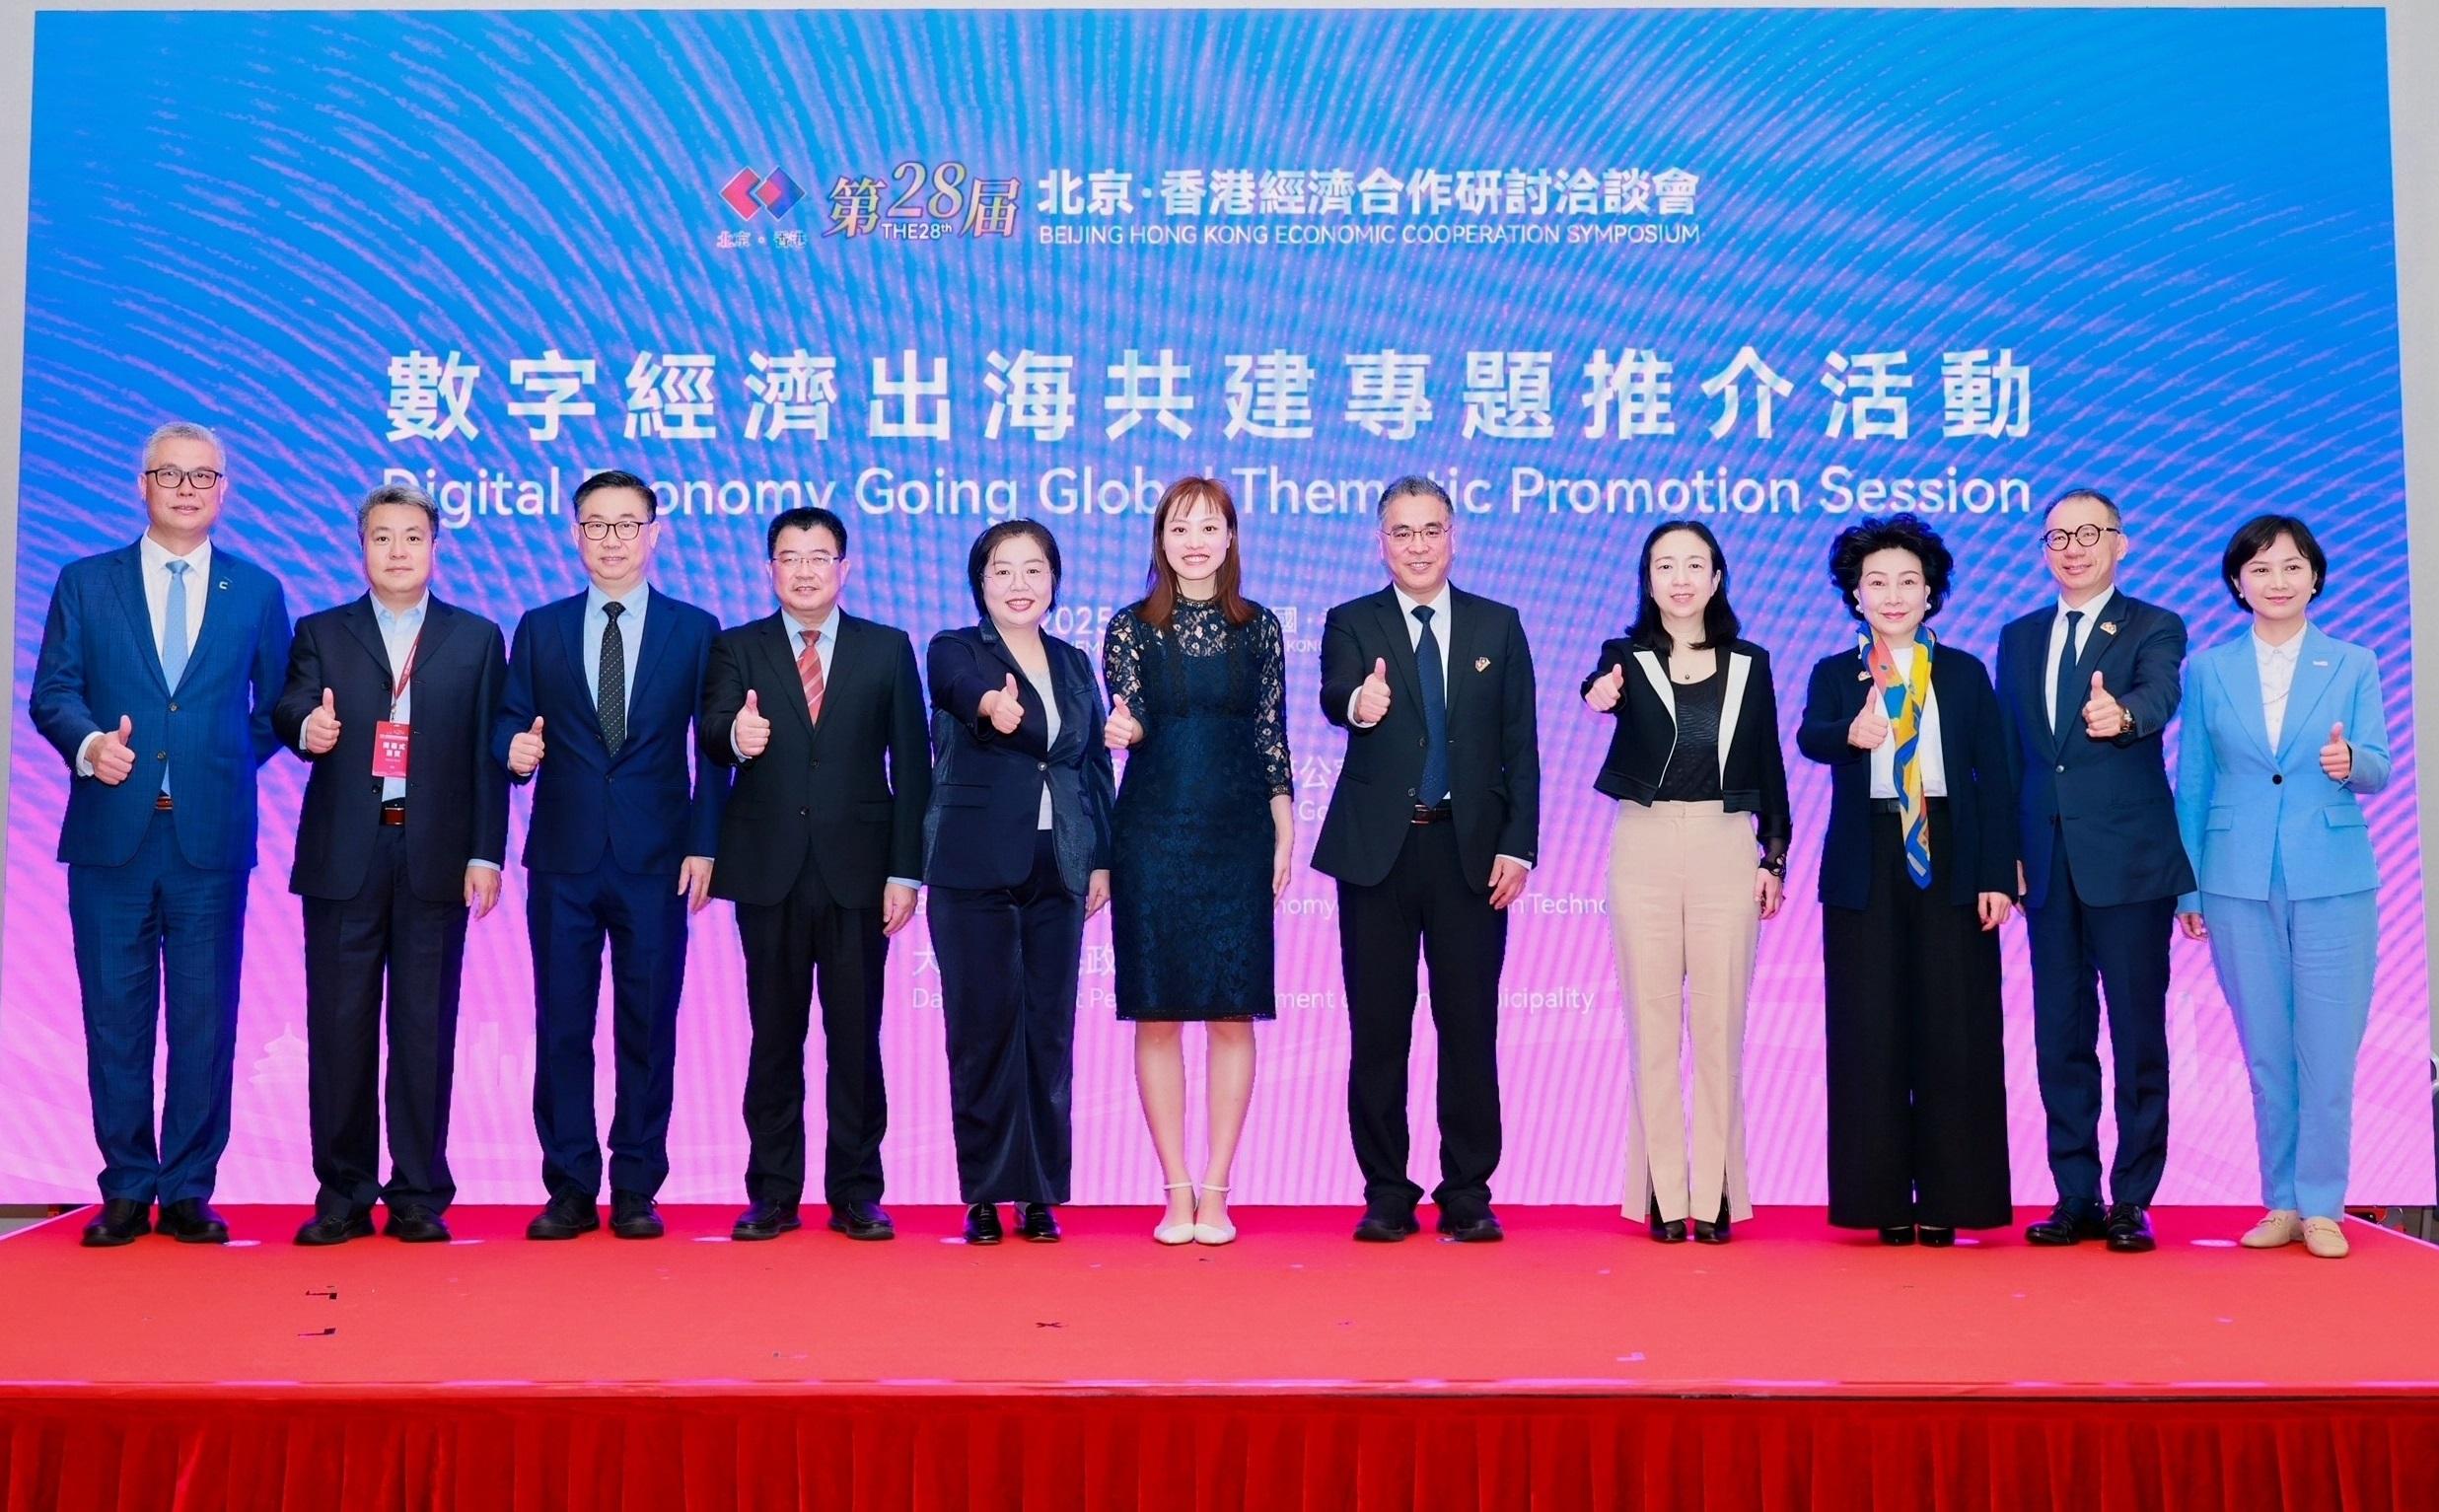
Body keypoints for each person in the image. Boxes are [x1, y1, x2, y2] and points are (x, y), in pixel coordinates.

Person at [31, 421, 292, 1249]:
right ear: (140, 485)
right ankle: (124, 1185)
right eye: (170, 474)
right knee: (115, 1016)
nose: (186, 487)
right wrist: (89, 745)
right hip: (112, 839)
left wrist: (220, 760)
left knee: (204, 1020)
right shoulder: (85, 582)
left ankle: (187, 1188)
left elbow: (278, 706)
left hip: (210, 840)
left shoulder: (255, 590)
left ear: (224, 491)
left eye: (203, 476)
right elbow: (53, 691)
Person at [493, 469, 725, 1242]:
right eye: (597, 524)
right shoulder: (540, 626)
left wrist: (704, 843)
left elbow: (714, 750)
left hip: (657, 858)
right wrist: (515, 750)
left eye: (628, 524)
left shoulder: (694, 630)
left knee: (646, 1024)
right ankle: (567, 1184)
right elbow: (505, 723)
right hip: (561, 857)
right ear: (575, 534)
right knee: (561, 1023)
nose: (612, 540)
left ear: (655, 534)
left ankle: (635, 1184)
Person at [274, 483, 508, 1246]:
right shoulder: (321, 630)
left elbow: (487, 752)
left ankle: (417, 1192)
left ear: (435, 547)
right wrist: (307, 725)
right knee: (339, 1028)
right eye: (382, 537)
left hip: (436, 852)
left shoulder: (475, 637)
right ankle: (341, 1191)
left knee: (423, 1028)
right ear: (362, 547)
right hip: (347, 853)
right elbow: (291, 707)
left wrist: (487, 852)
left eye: (412, 536)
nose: (398, 550)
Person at [1315, 475, 1540, 1245]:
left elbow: (1521, 747)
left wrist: (1519, 844)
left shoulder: (1497, 626)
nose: (1417, 545)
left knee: (1468, 1025)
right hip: (1377, 853)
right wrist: (1357, 706)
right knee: (1380, 1030)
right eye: (1401, 532)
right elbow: (1336, 692)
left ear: (1454, 535)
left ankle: (1468, 1188)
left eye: (1430, 530)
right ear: (1380, 541)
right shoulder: (1351, 621)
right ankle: (1386, 1189)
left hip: (1470, 853)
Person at [700, 506, 929, 1244]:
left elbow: (913, 768)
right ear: (769, 569)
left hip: (860, 873)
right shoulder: (737, 648)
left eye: (819, 556)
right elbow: (709, 732)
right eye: (789, 557)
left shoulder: (887, 649)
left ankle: (857, 1190)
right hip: (767, 869)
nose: (804, 569)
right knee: (774, 1038)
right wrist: (737, 735)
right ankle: (771, 1191)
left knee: (856, 1038)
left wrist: (906, 872)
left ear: (845, 568)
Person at [1798, 516, 2018, 1247]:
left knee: (1956, 1033)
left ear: (1931, 593)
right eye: (1875, 583)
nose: (1892, 595)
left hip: (1953, 855)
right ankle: (1879, 1200)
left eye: (1907, 581)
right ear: (1854, 596)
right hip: (1866, 861)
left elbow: (1993, 775)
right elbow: (1809, 734)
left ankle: (1953, 1197)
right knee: (1869, 1034)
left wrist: (1996, 872)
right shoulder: (1838, 672)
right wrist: (1849, 735)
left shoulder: (1960, 672)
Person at [2175, 516, 2390, 1260]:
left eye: (2291, 566)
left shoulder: (2352, 661)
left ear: (2315, 577)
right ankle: (2281, 1200)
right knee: (2265, 1048)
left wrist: (2348, 761)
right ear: (2237, 582)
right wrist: (2190, 890)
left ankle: (2324, 1204)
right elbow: (2193, 783)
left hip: (2331, 878)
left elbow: (2378, 765)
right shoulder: (2207, 669)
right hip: (2235, 878)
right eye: (2260, 568)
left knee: (2326, 1049)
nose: (2277, 580)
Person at [1996, 489, 2194, 1254]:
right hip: (2045, 865)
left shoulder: (2152, 624)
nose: (2072, 547)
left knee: (2138, 1034)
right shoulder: (2018, 636)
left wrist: (2126, 716)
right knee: (2060, 1036)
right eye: (2057, 535)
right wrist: (2006, 849)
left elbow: (2160, 690)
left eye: (2089, 533)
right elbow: (2012, 751)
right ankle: (2073, 1192)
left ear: (2120, 543)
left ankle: (2131, 1197)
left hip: (2129, 864)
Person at [1582, 522, 1789, 1245]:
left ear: (1716, 576)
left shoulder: (1748, 665)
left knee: (1718, 1026)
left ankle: (1717, 1191)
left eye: (1693, 564)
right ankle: (1664, 1195)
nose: (1679, 578)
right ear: (1647, 579)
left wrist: (1774, 857)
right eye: (1664, 565)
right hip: (1643, 840)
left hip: (1725, 842)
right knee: (1650, 1024)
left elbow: (1768, 765)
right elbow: (1595, 690)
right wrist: (1601, 691)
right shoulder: (1626, 656)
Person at [1102, 478, 1293, 1247]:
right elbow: (1130, 716)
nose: (1194, 540)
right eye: (1179, 527)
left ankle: (1217, 1187)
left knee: (1230, 1010)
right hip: (1151, 832)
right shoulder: (1129, 628)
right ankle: (1173, 1186)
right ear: (1160, 539)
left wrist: (1283, 826)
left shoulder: (1261, 628)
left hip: (1238, 831)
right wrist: (1119, 728)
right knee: (1156, 1014)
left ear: (1230, 537)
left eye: (1208, 526)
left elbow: (1270, 734)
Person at [923, 521, 1113, 1246]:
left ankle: (1038, 1194)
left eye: (1033, 570)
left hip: (1058, 864)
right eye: (1002, 571)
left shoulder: (1071, 662)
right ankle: (983, 1194)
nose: (1019, 584)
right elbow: (956, 685)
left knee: (1046, 1033)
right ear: (980, 582)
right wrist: (988, 705)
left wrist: (1101, 856)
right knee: (980, 1032)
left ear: (1054, 581)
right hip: (973, 866)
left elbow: (1091, 764)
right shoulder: (955, 648)